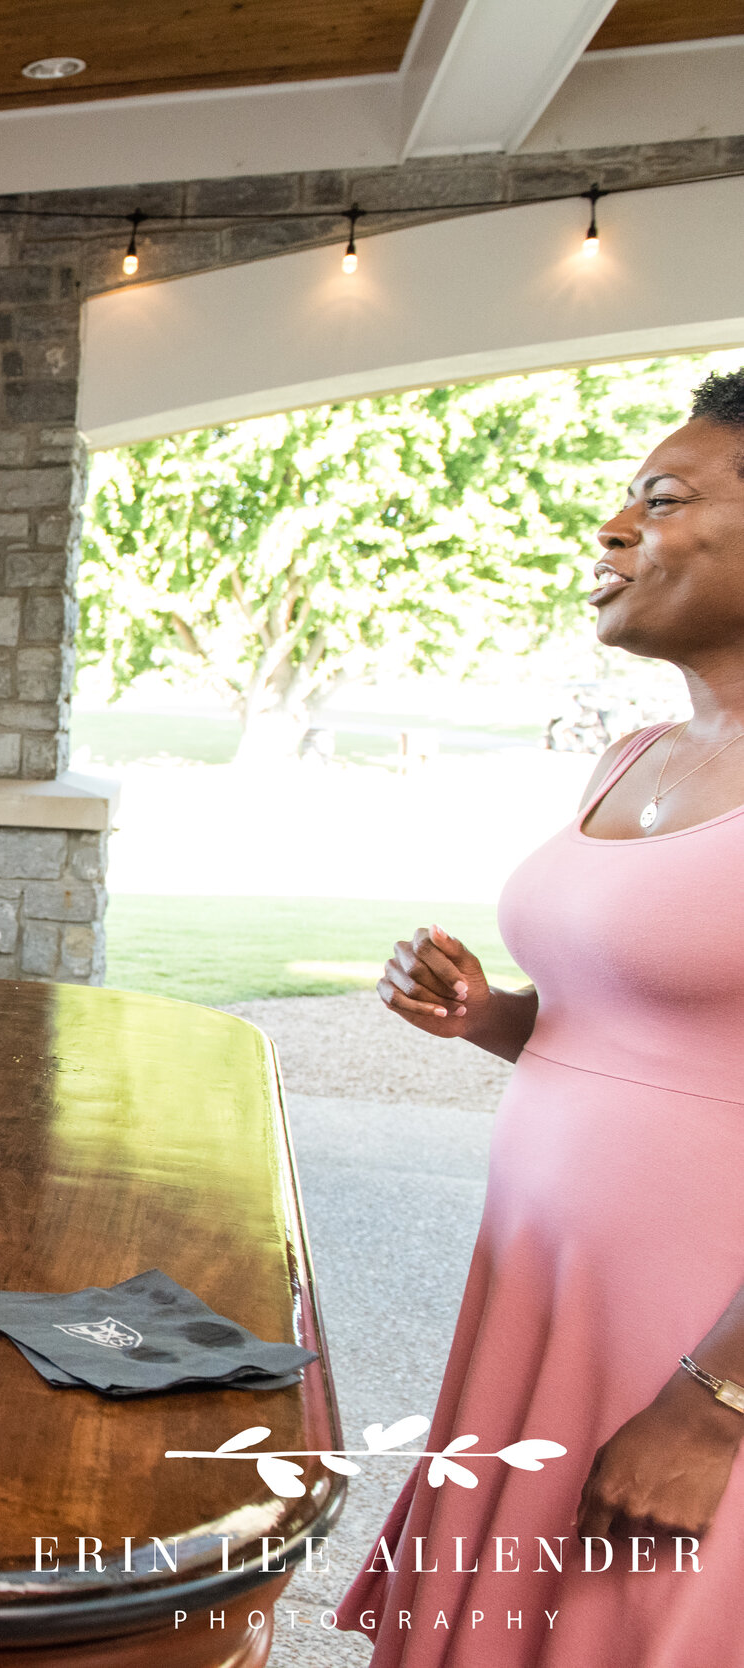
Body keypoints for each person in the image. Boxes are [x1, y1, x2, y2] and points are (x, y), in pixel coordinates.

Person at [341, 370, 744, 1663]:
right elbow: (642, 1044)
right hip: (544, 1295)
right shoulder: (633, 753)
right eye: (623, 498)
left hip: (696, 1333)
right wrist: (492, 1016)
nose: (614, 529)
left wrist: (714, 1407)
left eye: (662, 500)